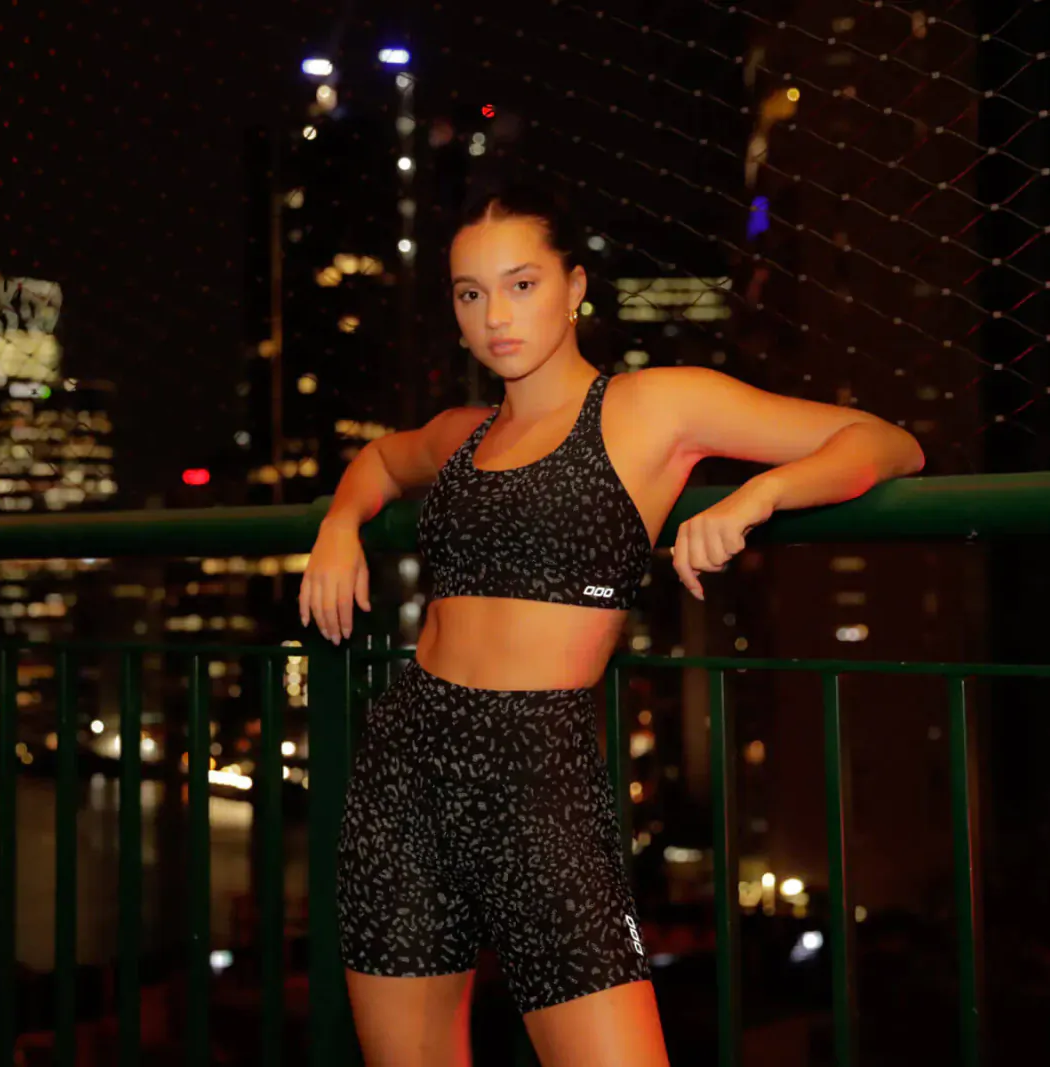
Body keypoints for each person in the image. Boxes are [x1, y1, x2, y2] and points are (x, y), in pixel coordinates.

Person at [297, 182, 925, 1067]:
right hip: (406, 767)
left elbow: (887, 443)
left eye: (521, 285)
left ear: (576, 285)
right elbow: (377, 460)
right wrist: (336, 527)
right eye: (470, 293)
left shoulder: (652, 406)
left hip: (539, 773)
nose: (495, 316)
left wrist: (758, 497)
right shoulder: (462, 434)